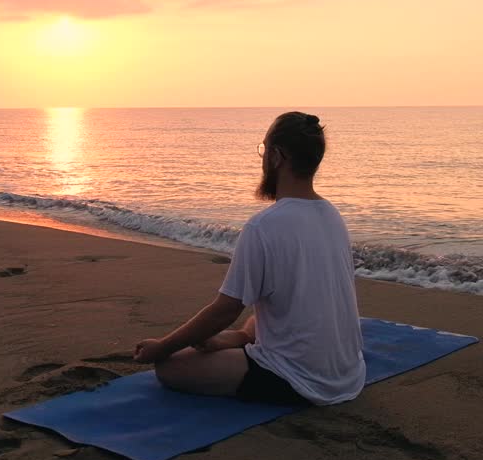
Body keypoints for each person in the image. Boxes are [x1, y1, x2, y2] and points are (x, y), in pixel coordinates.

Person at [132, 111, 365, 406]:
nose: (262, 159)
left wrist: (162, 348)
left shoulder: (263, 227)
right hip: (349, 372)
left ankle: (239, 346)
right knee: (258, 321)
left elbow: (225, 310)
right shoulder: (332, 215)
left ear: (277, 157)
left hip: (301, 379)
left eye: (264, 150)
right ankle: (236, 340)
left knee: (171, 368)